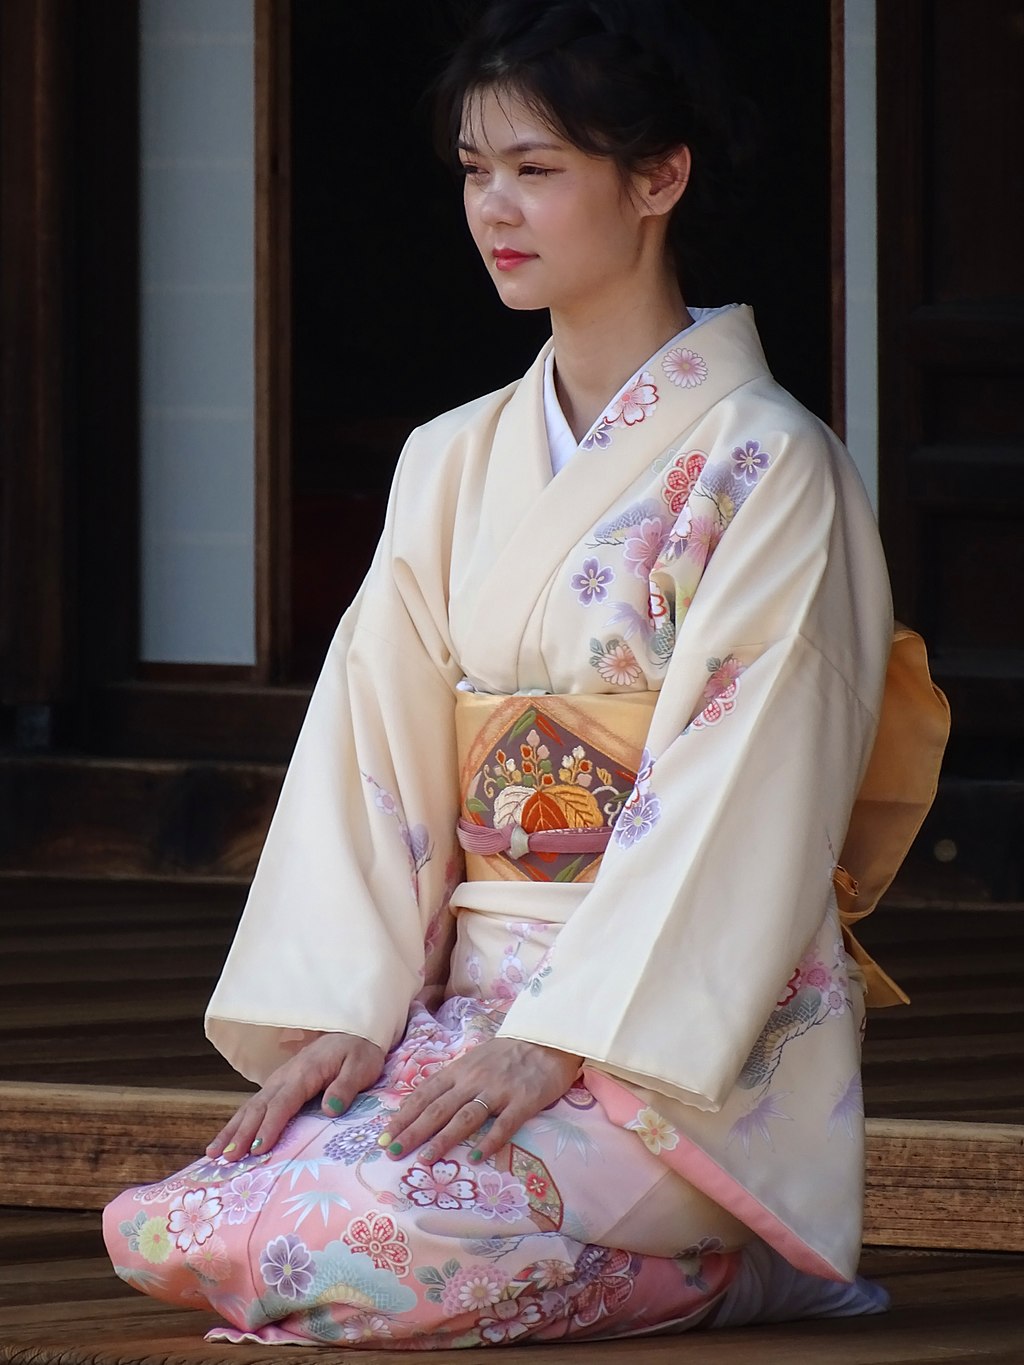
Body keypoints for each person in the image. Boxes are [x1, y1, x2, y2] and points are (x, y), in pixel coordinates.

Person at [102, 0, 948, 1348]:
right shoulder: (450, 457)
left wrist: (566, 1036)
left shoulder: (768, 464)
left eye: (539, 169)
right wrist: (349, 1009)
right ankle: (612, 1246)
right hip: (468, 996)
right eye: (474, 169)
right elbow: (372, 742)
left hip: (668, 1037)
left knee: (358, 1236)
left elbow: (750, 782)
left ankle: (732, 1250)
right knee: (191, 1218)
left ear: (660, 177)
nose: (496, 206)